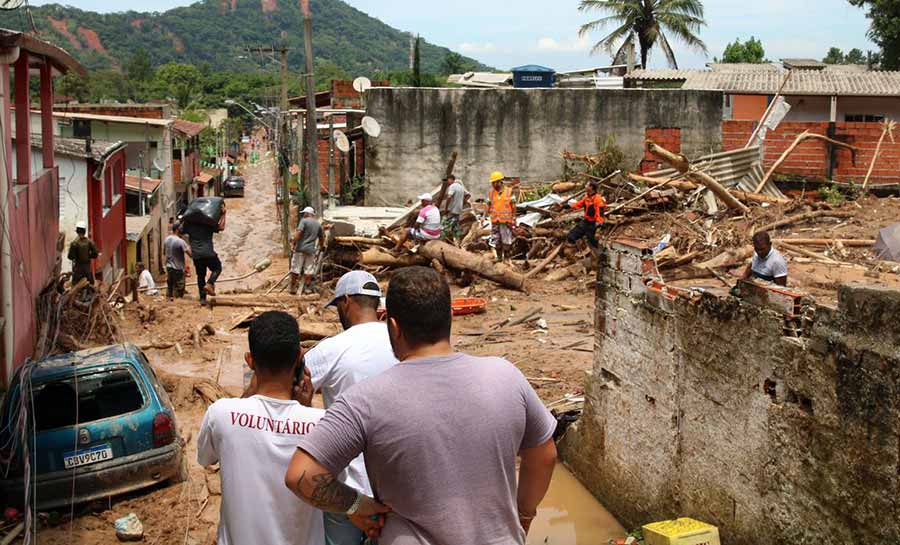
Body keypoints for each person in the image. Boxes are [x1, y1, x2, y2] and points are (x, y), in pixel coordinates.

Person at [286, 266, 558, 544]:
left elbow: (301, 475)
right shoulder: (506, 376)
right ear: (450, 317)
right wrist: (523, 514)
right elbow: (544, 455)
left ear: (394, 327)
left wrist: (357, 505)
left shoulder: (364, 400)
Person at [198, 311, 325, 545]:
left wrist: (248, 393)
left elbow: (205, 458)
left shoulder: (221, 414)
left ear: (250, 360)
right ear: (299, 358)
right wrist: (304, 408)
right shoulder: (322, 423)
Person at [303, 270, 398, 545]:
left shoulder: (331, 349)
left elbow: (288, 387)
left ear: (345, 302)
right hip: (397, 486)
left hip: (349, 493)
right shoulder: (402, 342)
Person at [182, 202, 226, 303]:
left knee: (200, 276)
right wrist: (223, 214)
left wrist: (185, 219)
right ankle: (210, 283)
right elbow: (221, 227)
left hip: (196, 255)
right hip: (208, 253)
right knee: (217, 268)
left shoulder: (189, 225)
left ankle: (202, 299)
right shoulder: (208, 223)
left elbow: (180, 230)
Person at [291, 207, 325, 295]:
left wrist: (293, 242)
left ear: (307, 213)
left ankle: (293, 287)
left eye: (304, 213)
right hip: (311, 250)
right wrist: (321, 247)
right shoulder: (318, 224)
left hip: (300, 249)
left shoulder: (303, 221)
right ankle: (307, 289)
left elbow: (298, 233)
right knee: (309, 269)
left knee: (296, 268)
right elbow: (321, 238)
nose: (303, 214)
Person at [564, 181, 607, 250]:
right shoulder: (587, 197)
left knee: (592, 241)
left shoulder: (598, 199)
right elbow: (578, 204)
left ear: (591, 187)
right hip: (586, 221)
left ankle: (601, 252)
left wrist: (598, 225)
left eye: (587, 184)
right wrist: (569, 206)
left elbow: (600, 213)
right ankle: (576, 248)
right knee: (571, 236)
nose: (585, 186)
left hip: (594, 223)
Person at [488, 171, 517, 262]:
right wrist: (483, 216)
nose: (493, 184)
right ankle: (499, 258)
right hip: (495, 220)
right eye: (492, 183)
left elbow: (514, 205)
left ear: (500, 181)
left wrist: (514, 217)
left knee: (506, 240)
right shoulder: (491, 192)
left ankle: (507, 258)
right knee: (496, 239)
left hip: (506, 221)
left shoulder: (509, 191)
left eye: (495, 182)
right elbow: (488, 205)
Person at [164, 223, 191, 300]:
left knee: (170, 287)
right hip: (178, 268)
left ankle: (169, 302)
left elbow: (164, 253)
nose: (182, 230)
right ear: (177, 230)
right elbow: (190, 254)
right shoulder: (180, 241)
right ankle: (178, 303)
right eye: (181, 228)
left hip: (169, 267)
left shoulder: (166, 239)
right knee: (179, 288)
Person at [68, 221, 98, 286]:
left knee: (75, 286)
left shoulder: (74, 243)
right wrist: (88, 256)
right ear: (84, 231)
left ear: (77, 232)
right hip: (87, 269)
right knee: (91, 285)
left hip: (78, 269)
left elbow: (70, 257)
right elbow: (95, 254)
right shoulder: (90, 242)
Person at [441, 175, 470, 243]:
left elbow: (449, 197)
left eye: (448, 180)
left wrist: (446, 208)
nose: (447, 182)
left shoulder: (452, 186)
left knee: (445, 225)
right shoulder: (461, 187)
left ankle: (443, 241)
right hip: (458, 210)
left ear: (451, 179)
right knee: (455, 226)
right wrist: (463, 203)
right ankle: (457, 241)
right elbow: (468, 195)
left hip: (452, 209)